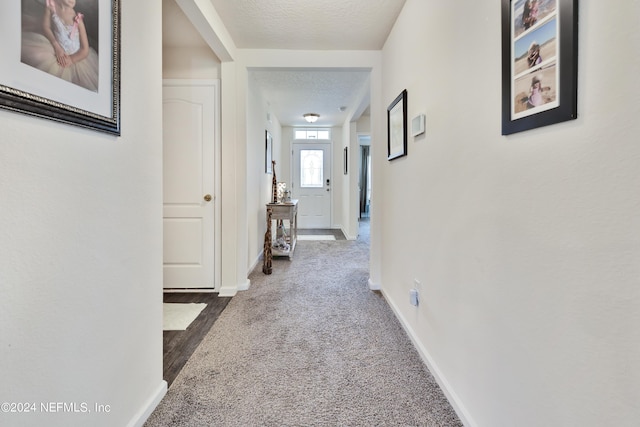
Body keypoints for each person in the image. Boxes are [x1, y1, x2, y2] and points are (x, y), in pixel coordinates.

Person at [21, 0, 99, 92]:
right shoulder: (51, 6)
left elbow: (85, 50)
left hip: (76, 58)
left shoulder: (77, 18)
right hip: (56, 50)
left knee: (83, 85)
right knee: (36, 56)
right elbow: (46, 27)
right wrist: (56, 45)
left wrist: (71, 59)